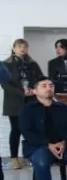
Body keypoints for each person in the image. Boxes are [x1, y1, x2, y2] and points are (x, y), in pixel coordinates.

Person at [4, 38, 42, 169]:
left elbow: (40, 79)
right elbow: (5, 85)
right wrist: (22, 93)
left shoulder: (32, 64)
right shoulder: (5, 65)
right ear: (14, 48)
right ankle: (14, 158)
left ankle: (33, 156)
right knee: (16, 130)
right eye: (19, 46)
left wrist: (35, 90)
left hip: (31, 100)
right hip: (14, 102)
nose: (22, 48)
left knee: (32, 129)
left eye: (25, 46)